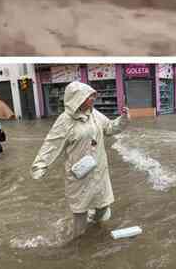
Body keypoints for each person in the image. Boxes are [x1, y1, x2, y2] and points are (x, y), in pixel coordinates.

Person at [31, 81, 130, 239]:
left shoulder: (94, 114)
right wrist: (40, 165)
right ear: (77, 99)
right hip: (79, 174)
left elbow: (110, 128)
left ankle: (97, 229)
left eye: (93, 95)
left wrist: (123, 119)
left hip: (99, 170)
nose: (93, 99)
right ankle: (78, 241)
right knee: (80, 211)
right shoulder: (65, 121)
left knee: (103, 205)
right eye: (89, 96)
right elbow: (51, 143)